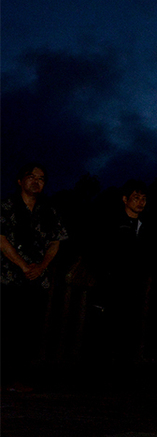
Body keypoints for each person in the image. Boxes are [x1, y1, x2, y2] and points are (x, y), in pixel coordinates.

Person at [1, 163, 68, 391]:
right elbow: (1, 239)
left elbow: (56, 241)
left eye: (41, 178)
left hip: (38, 279)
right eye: (31, 177)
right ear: (20, 181)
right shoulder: (6, 206)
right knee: (6, 326)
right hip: (8, 277)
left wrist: (41, 266)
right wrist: (22, 265)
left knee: (30, 329)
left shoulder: (50, 210)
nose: (36, 181)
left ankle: (20, 377)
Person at [92, 179, 157, 371]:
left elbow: (150, 256)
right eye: (136, 197)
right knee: (104, 331)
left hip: (134, 288)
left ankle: (123, 373)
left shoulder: (146, 226)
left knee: (129, 332)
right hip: (110, 286)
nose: (140, 202)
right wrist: (106, 276)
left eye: (144, 198)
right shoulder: (111, 223)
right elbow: (99, 252)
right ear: (125, 199)